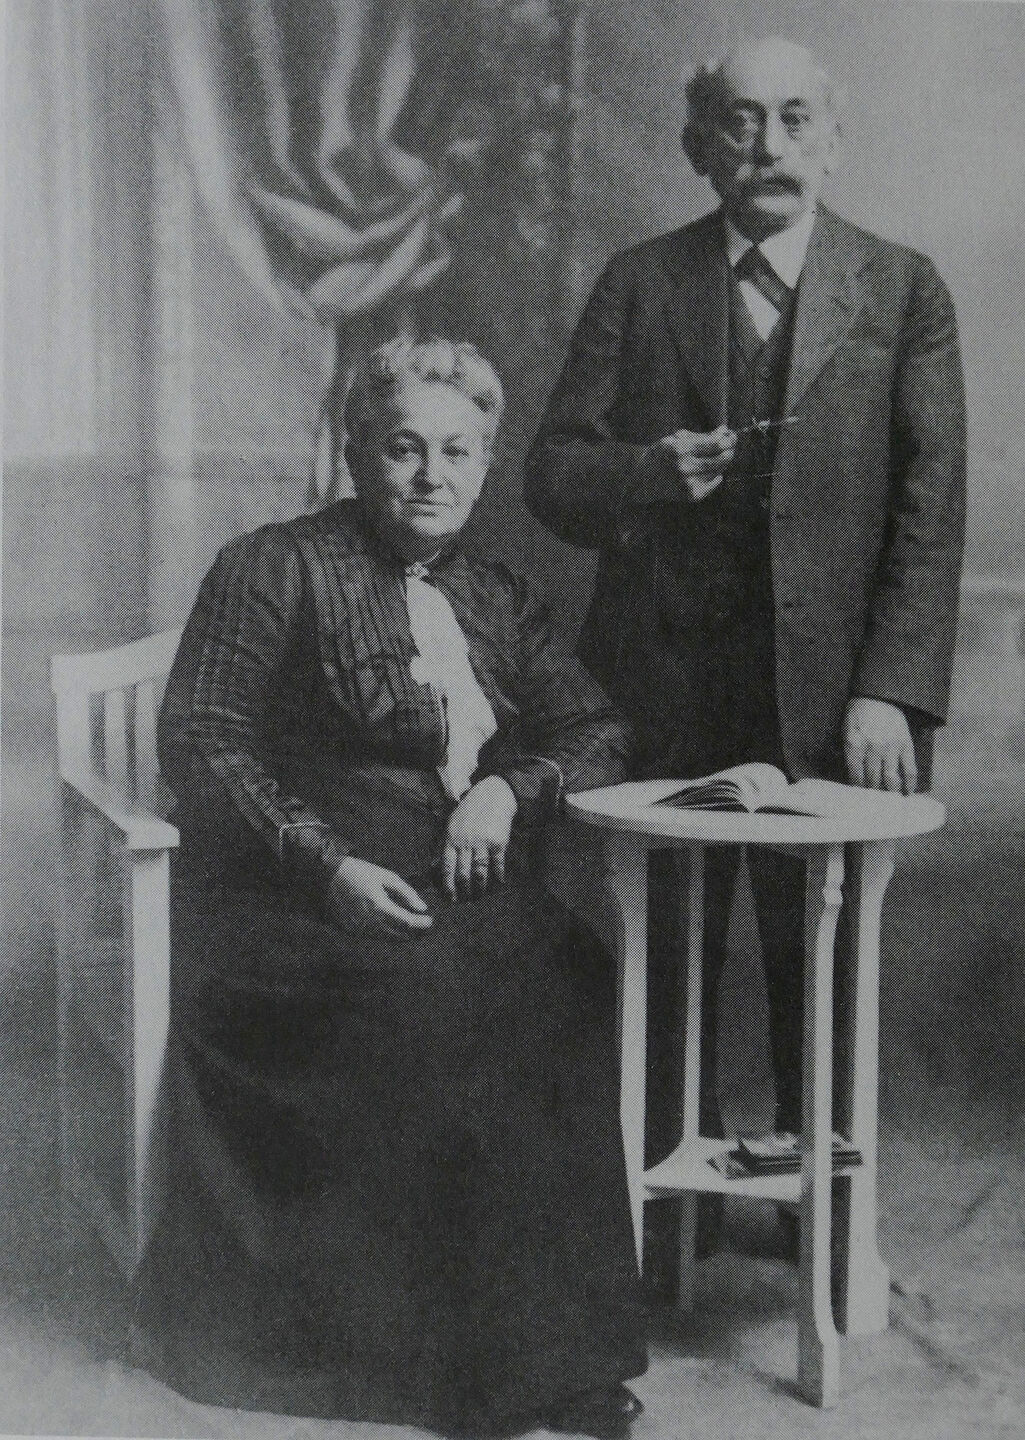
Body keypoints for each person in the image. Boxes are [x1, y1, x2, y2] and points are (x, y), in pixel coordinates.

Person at [131, 338, 647, 1438]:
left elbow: (598, 727)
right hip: (283, 900)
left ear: (485, 464)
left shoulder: (496, 593)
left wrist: (508, 787)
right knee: (431, 1001)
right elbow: (204, 740)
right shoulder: (273, 565)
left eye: (456, 452)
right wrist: (327, 866)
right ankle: (444, 1370)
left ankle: (554, 1356)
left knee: (565, 974)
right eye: (403, 448)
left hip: (446, 879)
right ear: (355, 453)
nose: (430, 475)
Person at [524, 39, 965, 1186]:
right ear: (697, 145)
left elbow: (928, 511)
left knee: (821, 961)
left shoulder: (900, 288)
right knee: (663, 962)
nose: (767, 145)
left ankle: (824, 1233)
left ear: (832, 139)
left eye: (793, 119)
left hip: (831, 698)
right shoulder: (638, 280)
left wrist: (887, 690)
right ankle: (670, 1222)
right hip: (660, 687)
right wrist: (643, 474)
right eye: (738, 120)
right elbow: (549, 475)